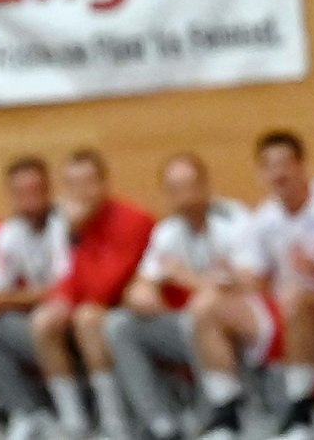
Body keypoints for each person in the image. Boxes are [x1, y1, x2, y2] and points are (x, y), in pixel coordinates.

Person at [189, 131, 314, 440]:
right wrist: (228, 278)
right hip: (292, 313)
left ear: (302, 166)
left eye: (284, 164)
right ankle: (226, 415)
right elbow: (256, 281)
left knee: (302, 297)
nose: (278, 174)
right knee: (208, 310)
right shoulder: (264, 218)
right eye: (269, 166)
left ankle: (300, 414)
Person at [102, 152, 250, 440]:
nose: (184, 196)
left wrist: (189, 279)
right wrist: (143, 295)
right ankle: (161, 424)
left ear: (204, 184)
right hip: (188, 322)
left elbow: (251, 285)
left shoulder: (234, 220)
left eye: (189, 186)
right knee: (119, 325)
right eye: (175, 189)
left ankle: (216, 417)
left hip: (236, 321)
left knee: (201, 315)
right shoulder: (169, 230)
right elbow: (142, 283)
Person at [28, 149, 154, 439]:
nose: (81, 192)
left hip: (129, 307)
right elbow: (65, 278)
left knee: (87, 318)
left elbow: (107, 287)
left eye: (88, 183)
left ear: (104, 183)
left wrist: (77, 233)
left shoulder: (133, 220)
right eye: (73, 185)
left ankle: (115, 421)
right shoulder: (69, 223)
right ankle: (73, 420)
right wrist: (59, 301)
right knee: (43, 321)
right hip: (95, 304)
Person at [0, 156, 69, 439]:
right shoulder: (10, 233)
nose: (29, 198)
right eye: (21, 192)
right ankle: (27, 412)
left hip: (67, 319)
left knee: (46, 322)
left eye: (35, 189)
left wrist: (7, 300)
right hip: (37, 322)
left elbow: (65, 289)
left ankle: (74, 419)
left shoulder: (65, 224)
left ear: (48, 188)